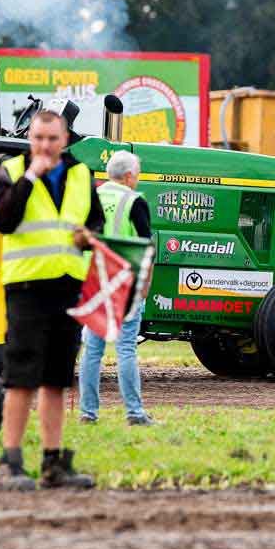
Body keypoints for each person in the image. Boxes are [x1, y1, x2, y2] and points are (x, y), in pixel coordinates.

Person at [0, 109, 105, 490]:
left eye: (52, 139)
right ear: (30, 138)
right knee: (20, 378)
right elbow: (3, 220)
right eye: (38, 138)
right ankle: (11, 462)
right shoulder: (10, 172)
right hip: (27, 288)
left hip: (67, 286)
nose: (44, 145)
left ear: (65, 139)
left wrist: (90, 235)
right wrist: (30, 177)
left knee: (56, 380)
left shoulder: (82, 175)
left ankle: (53, 465)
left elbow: (96, 221)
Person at [78, 150, 155, 427]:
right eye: (138, 173)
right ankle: (134, 413)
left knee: (92, 350)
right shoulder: (134, 201)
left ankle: (88, 413)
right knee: (126, 349)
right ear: (129, 176)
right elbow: (147, 248)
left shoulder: (91, 197)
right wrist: (145, 285)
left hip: (95, 283)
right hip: (125, 284)